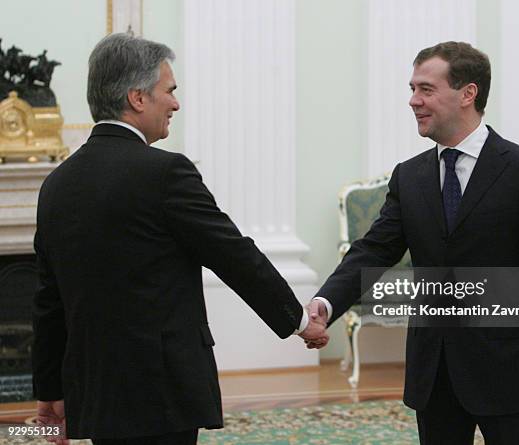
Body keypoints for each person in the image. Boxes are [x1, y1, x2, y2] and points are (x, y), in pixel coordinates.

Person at [32, 33, 328, 445]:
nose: (175, 103)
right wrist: (297, 320)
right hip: (161, 392)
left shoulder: (56, 185)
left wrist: (49, 390)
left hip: (97, 391)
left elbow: (50, 301)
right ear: (138, 98)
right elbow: (231, 253)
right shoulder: (165, 173)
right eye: (169, 91)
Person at [307, 41, 519, 444]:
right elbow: (374, 249)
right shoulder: (409, 176)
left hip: (507, 366)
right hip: (433, 369)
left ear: (468, 93)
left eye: (426, 89)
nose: (413, 101)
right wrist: (326, 303)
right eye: (412, 89)